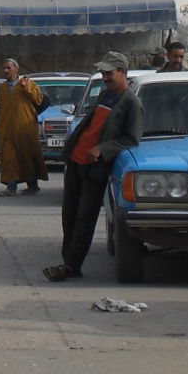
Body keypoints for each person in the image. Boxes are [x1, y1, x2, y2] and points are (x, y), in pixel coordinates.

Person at [43, 54, 143, 281]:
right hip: (76, 162)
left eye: (110, 73)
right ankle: (67, 261)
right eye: (104, 73)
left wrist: (103, 149)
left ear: (123, 72)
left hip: (95, 168)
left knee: (84, 219)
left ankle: (71, 265)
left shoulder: (131, 103)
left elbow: (131, 139)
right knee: (69, 215)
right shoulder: (106, 95)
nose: (105, 77)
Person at [0, 58, 47, 195]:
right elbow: (0, 108)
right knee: (9, 157)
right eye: (4, 68)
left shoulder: (28, 84)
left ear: (16, 69)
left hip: (26, 129)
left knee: (28, 156)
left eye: (9, 68)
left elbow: (38, 99)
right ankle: (11, 187)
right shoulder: (1, 88)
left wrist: (27, 87)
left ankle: (33, 185)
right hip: (7, 129)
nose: (6, 71)